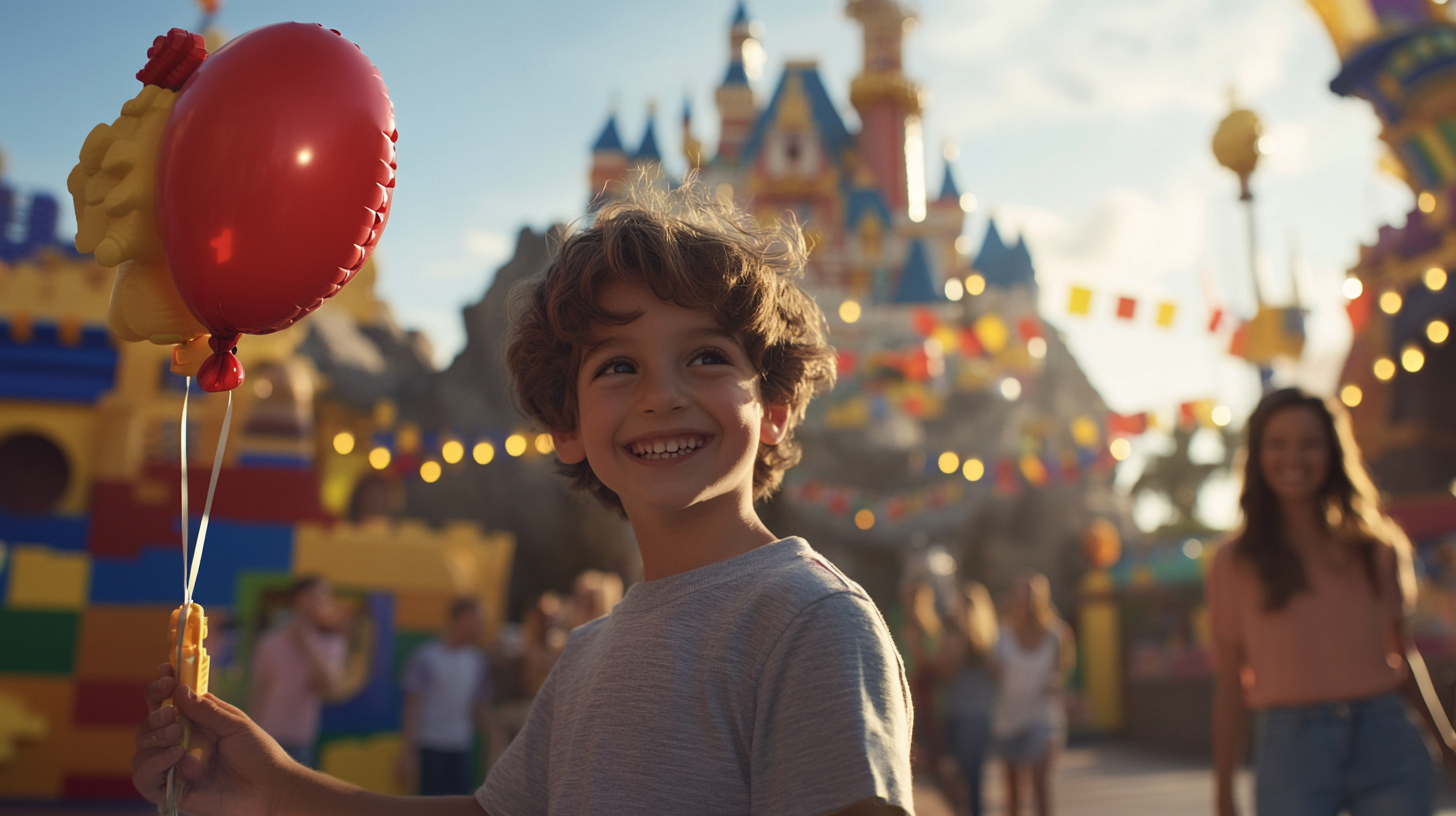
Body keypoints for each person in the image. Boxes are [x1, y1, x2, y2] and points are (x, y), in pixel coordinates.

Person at [130, 177, 915, 815]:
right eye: (617, 367)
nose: (661, 395)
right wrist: (274, 792)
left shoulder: (810, 624)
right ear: (566, 429)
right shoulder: (588, 653)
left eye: (706, 357)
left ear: (773, 408)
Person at [1208, 388, 1456, 816]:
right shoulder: (1234, 562)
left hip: (1387, 742)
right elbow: (1231, 683)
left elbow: (1404, 655)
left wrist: (1447, 742)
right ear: (1257, 455)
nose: (1295, 458)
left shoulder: (1377, 548)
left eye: (1310, 444)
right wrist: (1223, 793)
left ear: (1334, 451)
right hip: (1290, 752)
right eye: (1278, 444)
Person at [397, 598, 505, 796]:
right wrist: (407, 753)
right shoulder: (426, 657)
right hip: (429, 745)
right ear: (460, 618)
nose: (481, 626)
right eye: (476, 619)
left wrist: (495, 733)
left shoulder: (477, 661)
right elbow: (412, 707)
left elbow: (478, 705)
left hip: (460, 746)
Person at [993, 573, 1074, 816]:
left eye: (1028, 595)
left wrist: (1056, 684)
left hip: (1043, 718)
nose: (1023, 601)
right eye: (1019, 595)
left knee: (1040, 782)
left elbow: (1062, 672)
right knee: (1014, 793)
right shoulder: (1002, 635)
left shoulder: (1058, 634)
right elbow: (993, 675)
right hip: (1009, 720)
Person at [246, 575, 347, 769]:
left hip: (301, 740)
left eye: (327, 596)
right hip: (266, 735)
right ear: (301, 599)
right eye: (320, 595)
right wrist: (251, 732)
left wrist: (308, 645)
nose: (325, 602)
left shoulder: (332, 643)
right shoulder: (269, 642)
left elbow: (330, 688)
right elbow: (259, 691)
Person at [942, 581, 999, 816]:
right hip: (957, 714)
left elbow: (946, 674)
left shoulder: (988, 639)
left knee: (970, 780)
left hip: (974, 716)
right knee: (959, 780)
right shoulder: (957, 636)